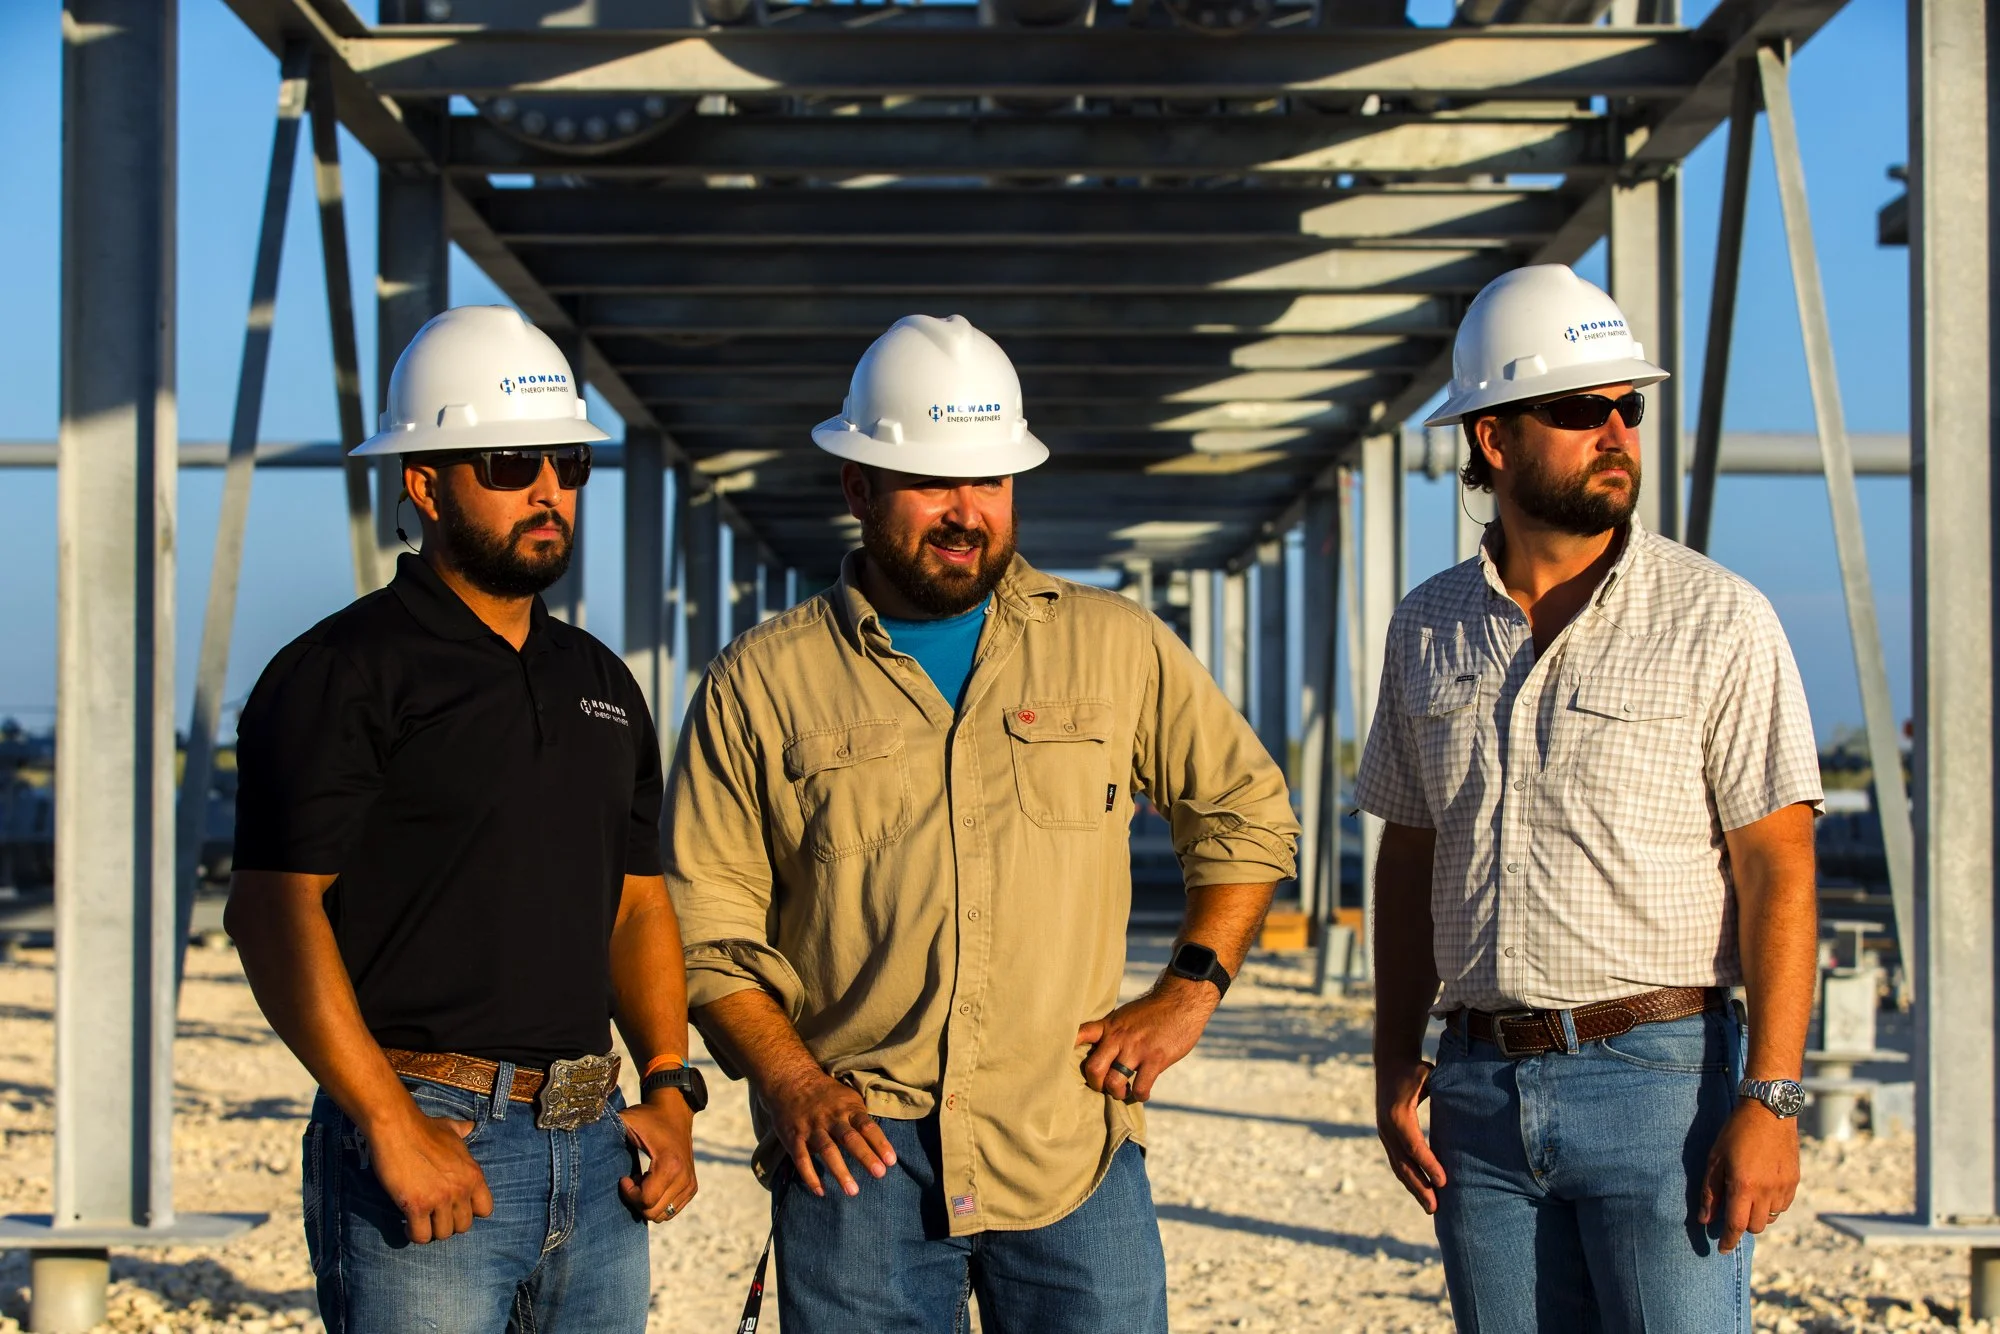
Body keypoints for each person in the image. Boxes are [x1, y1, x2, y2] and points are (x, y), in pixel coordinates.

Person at [662, 313, 1300, 1333]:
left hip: (1065, 1143)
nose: (966, 512)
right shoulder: (761, 682)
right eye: (932, 483)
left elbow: (1245, 810)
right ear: (857, 487)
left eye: (990, 481)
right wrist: (786, 1079)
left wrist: (1188, 990)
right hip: (853, 1153)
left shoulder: (1113, 648)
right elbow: (703, 919)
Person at [225, 306, 708, 1333]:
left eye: (565, 462)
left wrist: (667, 1086)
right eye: (506, 460)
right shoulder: (342, 672)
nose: (546, 488)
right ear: (423, 480)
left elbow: (635, 905)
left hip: (594, 1140)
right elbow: (273, 915)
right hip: (427, 1136)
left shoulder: (602, 684)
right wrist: (389, 1124)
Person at [1358, 263, 1821, 1332]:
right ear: (1491, 438)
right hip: (1473, 1090)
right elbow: (1409, 853)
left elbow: (1775, 865)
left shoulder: (1718, 618)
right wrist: (1394, 1057)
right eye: (1579, 410)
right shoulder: (1425, 625)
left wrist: (1772, 1097)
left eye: (1627, 408)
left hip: (1659, 1086)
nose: (1616, 431)